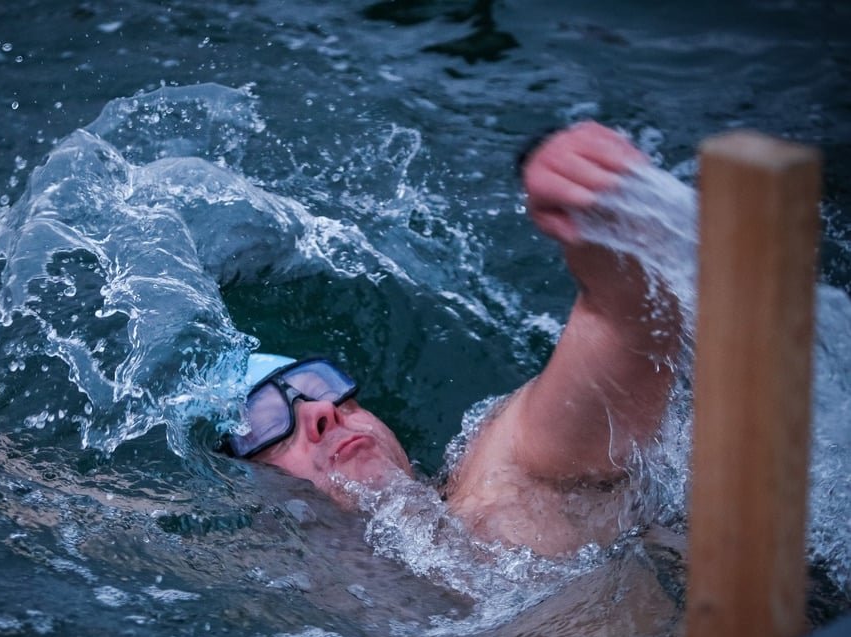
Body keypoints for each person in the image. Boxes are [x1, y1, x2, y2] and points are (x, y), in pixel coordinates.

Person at [221, 122, 681, 557]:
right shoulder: (257, 601)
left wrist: (606, 229)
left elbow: (625, 318)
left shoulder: (508, 491)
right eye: (265, 421)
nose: (323, 413)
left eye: (320, 386)